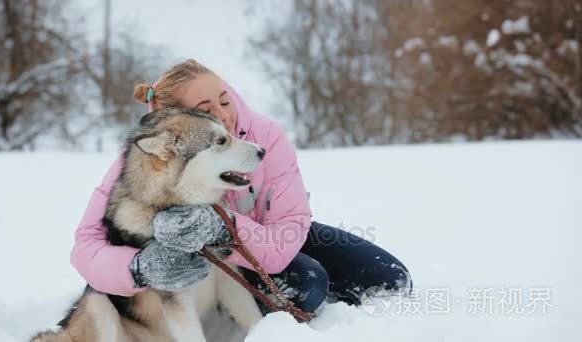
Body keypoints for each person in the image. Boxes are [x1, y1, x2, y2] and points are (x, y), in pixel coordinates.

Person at [71, 59, 412, 314]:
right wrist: (139, 268)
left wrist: (222, 227)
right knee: (307, 286)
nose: (225, 115)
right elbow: (86, 246)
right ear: (178, 125)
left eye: (224, 99)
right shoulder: (148, 160)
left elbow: (289, 228)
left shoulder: (266, 137)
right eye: (206, 110)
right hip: (205, 268)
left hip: (268, 237)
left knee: (391, 280)